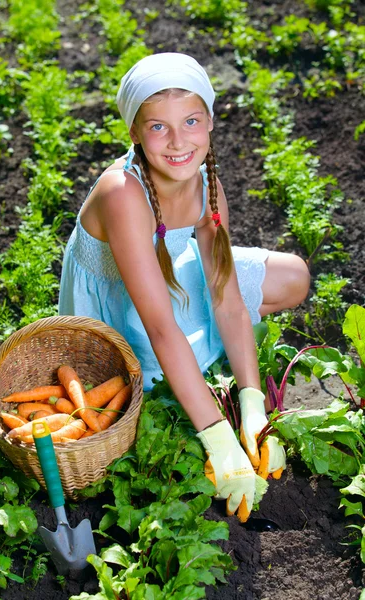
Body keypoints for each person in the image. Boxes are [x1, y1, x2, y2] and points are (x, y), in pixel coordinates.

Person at [59, 53, 310, 522]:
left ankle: (203, 366)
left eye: (191, 121)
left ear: (210, 122)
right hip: (122, 305)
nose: (178, 141)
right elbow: (157, 324)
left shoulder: (205, 180)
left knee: (293, 275)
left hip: (170, 268)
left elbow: (228, 299)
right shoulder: (122, 193)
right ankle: (190, 377)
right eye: (158, 127)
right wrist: (217, 435)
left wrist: (253, 402)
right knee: (161, 372)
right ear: (135, 132)